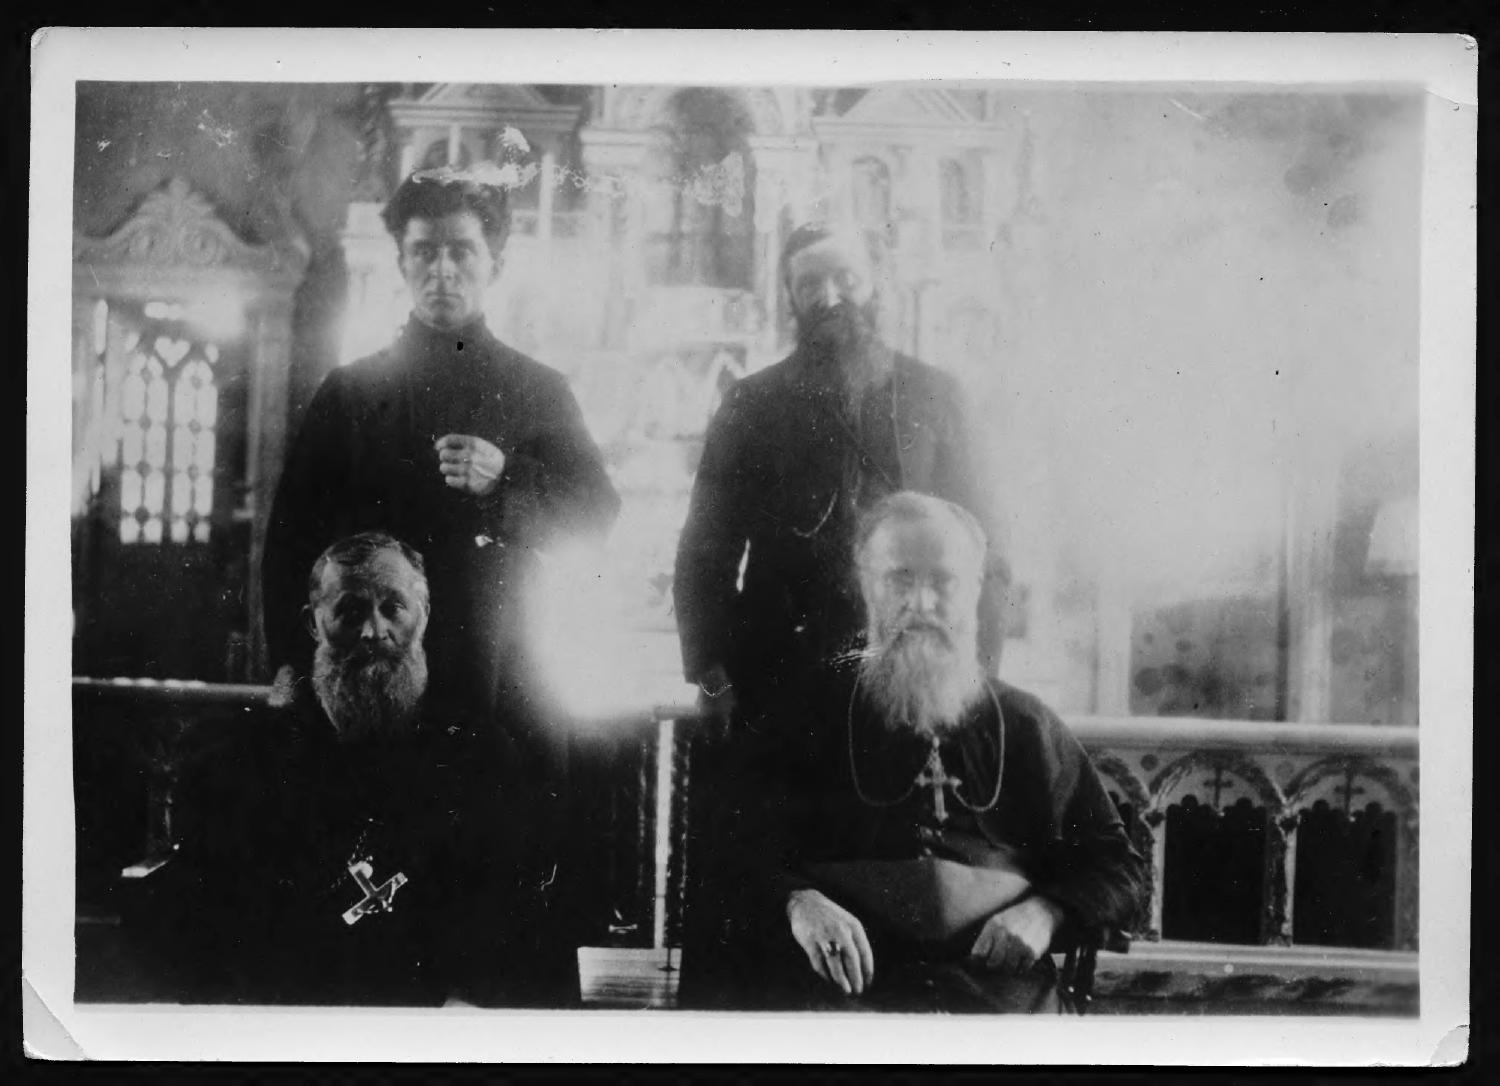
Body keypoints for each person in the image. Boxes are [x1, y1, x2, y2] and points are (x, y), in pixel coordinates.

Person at [714, 493, 1145, 1012]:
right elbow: (734, 850)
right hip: (845, 986)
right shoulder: (806, 714)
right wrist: (797, 901)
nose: (921, 604)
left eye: (943, 581)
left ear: (975, 589)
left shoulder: (1027, 725)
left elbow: (1118, 868)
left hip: (996, 990)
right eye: (899, 580)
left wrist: (1048, 913)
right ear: (865, 586)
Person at [262, 169, 620, 733]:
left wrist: (508, 480)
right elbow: (290, 538)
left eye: (462, 251)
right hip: (367, 679)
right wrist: (287, 659)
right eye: (424, 252)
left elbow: (595, 515)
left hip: (494, 677)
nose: (442, 270)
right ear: (402, 263)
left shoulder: (537, 390)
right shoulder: (350, 392)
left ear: (495, 266)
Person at [163, 532, 573, 1006]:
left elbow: (504, 917)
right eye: (350, 610)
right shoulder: (255, 756)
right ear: (313, 624)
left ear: (424, 616)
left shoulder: (478, 755)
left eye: (393, 608)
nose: (372, 631)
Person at [673, 223, 1005, 733]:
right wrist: (713, 683)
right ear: (791, 299)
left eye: (846, 278)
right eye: (809, 285)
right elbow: (704, 557)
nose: (830, 297)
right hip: (781, 682)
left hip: (911, 674)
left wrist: (980, 674)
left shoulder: (937, 394)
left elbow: (989, 548)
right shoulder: (749, 405)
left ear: (875, 284)